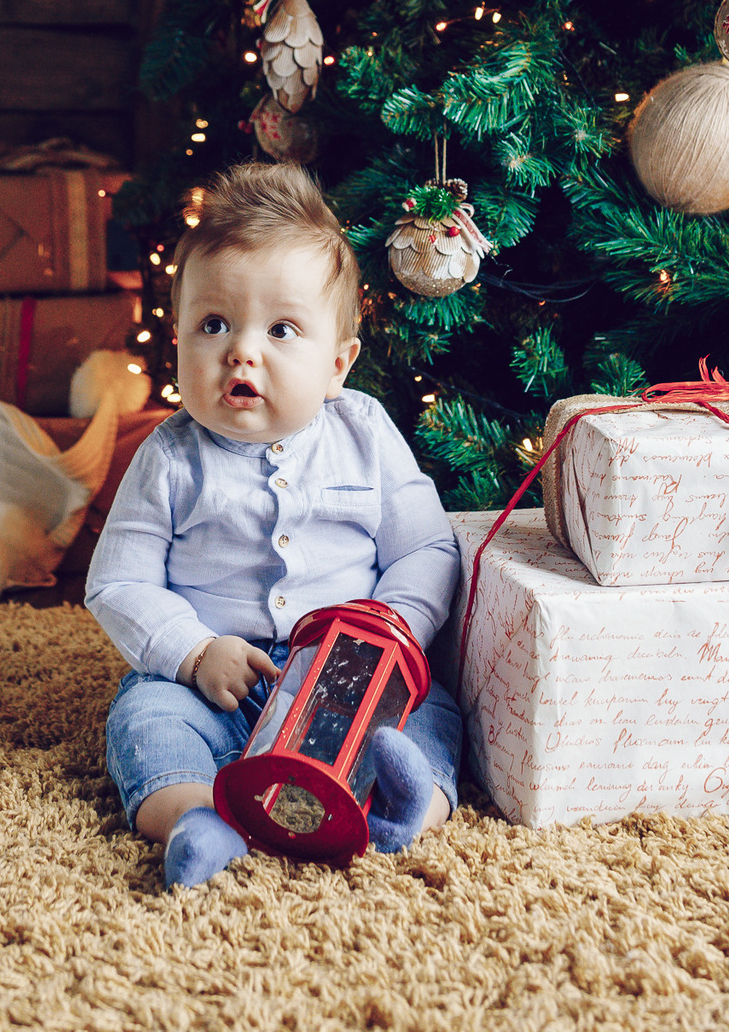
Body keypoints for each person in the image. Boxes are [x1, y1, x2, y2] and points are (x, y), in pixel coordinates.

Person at [85, 163, 464, 890]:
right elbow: (118, 580)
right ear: (179, 341)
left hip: (351, 671)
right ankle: (199, 812)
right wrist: (194, 653)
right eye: (214, 324)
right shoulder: (169, 458)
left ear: (337, 364)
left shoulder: (365, 432)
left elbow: (425, 546)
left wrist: (389, 629)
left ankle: (410, 807)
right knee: (144, 720)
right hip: (213, 681)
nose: (241, 350)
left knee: (431, 716)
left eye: (282, 329)